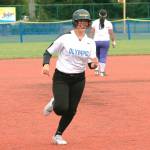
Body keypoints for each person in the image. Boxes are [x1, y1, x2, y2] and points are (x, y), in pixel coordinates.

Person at [42, 9, 98, 145]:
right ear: (75, 22)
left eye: (85, 22)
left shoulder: (90, 42)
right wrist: (45, 65)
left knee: (72, 110)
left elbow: (91, 63)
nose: (82, 24)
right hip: (62, 77)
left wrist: (94, 65)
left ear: (88, 24)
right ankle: (55, 102)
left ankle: (58, 135)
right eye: (80, 21)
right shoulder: (65, 37)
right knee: (61, 108)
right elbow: (48, 52)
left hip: (79, 79)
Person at [90, 9, 116, 77]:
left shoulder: (94, 22)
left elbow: (92, 33)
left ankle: (96, 70)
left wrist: (89, 41)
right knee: (103, 57)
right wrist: (113, 41)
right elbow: (111, 33)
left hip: (95, 41)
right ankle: (102, 72)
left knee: (96, 56)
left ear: (99, 14)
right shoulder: (109, 23)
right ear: (106, 15)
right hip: (105, 42)